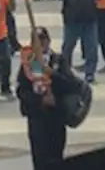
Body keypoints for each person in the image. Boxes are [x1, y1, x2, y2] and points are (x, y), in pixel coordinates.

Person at [17, 27, 68, 170]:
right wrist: (39, 101)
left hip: (56, 118)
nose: (40, 45)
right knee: (40, 158)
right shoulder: (29, 64)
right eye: (36, 42)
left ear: (48, 41)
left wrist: (53, 75)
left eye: (43, 40)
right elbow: (22, 91)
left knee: (56, 157)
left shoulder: (58, 61)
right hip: (37, 118)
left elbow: (69, 85)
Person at [57, 0, 101, 83]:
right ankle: (65, 71)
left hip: (90, 18)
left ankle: (90, 73)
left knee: (91, 48)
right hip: (72, 19)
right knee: (68, 47)